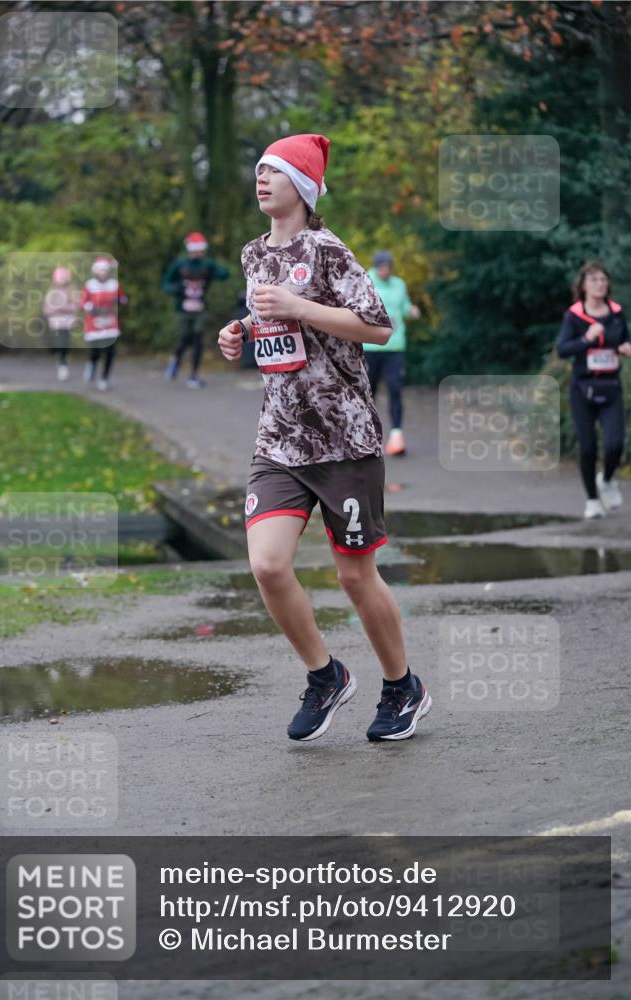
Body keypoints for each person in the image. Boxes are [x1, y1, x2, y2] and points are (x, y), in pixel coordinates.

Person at [217, 133, 431, 743]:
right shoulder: (253, 253)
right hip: (281, 437)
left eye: (273, 172)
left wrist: (300, 306)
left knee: (355, 578)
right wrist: (238, 333)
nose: (260, 180)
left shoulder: (330, 251)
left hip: (344, 441)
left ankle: (402, 686)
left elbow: (377, 327)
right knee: (267, 564)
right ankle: (325, 675)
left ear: (304, 188)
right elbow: (268, 323)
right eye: (257, 170)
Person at [557, 261, 630, 518]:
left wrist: (626, 348)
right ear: (584, 285)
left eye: (603, 280)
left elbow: (625, 339)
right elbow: (563, 350)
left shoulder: (617, 313)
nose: (600, 284)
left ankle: (607, 479)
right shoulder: (574, 316)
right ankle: (592, 500)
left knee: (614, 444)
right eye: (594, 280)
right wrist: (586, 339)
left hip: (611, 386)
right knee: (587, 447)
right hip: (582, 388)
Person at [364, 250, 420, 456]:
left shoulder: (399, 284)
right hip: (370, 347)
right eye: (381, 267)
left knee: (395, 388)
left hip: (395, 347)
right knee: (368, 392)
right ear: (376, 267)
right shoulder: (365, 280)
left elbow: (403, 307)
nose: (385, 271)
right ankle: (366, 436)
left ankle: (397, 435)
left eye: (387, 267)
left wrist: (411, 310)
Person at [162, 232, 229, 387]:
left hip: (200, 309)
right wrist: (175, 289)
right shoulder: (179, 264)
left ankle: (193, 375)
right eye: (197, 249)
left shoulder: (207, 264)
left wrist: (216, 272)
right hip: (183, 309)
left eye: (202, 249)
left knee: (198, 339)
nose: (200, 252)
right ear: (190, 249)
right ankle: (175, 361)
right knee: (185, 339)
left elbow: (224, 274)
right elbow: (166, 283)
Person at [81, 256, 127, 391]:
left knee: (110, 352)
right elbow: (83, 302)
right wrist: (92, 309)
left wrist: (120, 301)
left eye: (105, 270)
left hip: (111, 324)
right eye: (100, 270)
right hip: (94, 324)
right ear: (96, 271)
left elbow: (122, 298)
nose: (103, 273)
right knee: (95, 352)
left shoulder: (114, 284)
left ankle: (104, 378)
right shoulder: (90, 285)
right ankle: (91, 366)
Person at [43, 266, 81, 381]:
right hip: (56, 322)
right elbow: (47, 309)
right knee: (59, 343)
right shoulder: (51, 291)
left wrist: (63, 307)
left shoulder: (72, 290)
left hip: (67, 322)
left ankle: (63, 363)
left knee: (65, 342)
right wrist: (57, 309)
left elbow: (76, 306)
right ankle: (61, 362)